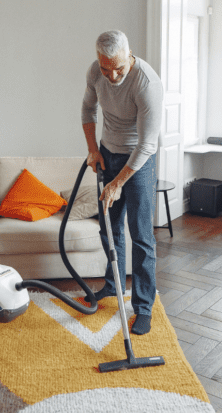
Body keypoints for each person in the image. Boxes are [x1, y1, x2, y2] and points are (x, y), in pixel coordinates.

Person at [81, 30, 163, 335]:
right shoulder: (95, 71)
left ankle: (143, 307)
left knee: (141, 235)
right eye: (106, 69)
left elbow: (147, 145)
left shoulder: (147, 83)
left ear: (129, 55)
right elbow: (87, 109)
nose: (112, 76)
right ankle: (113, 285)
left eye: (118, 68)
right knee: (108, 227)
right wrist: (93, 149)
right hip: (108, 153)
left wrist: (117, 183)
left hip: (139, 162)